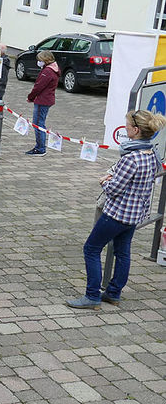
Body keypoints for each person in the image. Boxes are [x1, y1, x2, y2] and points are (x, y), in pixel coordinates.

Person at [67, 110, 166, 309]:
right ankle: (113, 293)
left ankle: (92, 295)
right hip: (134, 214)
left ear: (136, 131)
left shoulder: (130, 158)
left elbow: (113, 190)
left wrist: (104, 181)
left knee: (91, 249)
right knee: (123, 252)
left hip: (117, 214)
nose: (125, 128)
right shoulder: (151, 154)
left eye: (127, 125)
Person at [25, 50, 59, 156]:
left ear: (45, 60)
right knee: (40, 123)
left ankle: (40, 148)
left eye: (39, 60)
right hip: (46, 99)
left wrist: (31, 97)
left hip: (43, 100)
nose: (38, 62)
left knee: (38, 124)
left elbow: (38, 86)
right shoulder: (52, 69)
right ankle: (39, 146)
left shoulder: (48, 71)